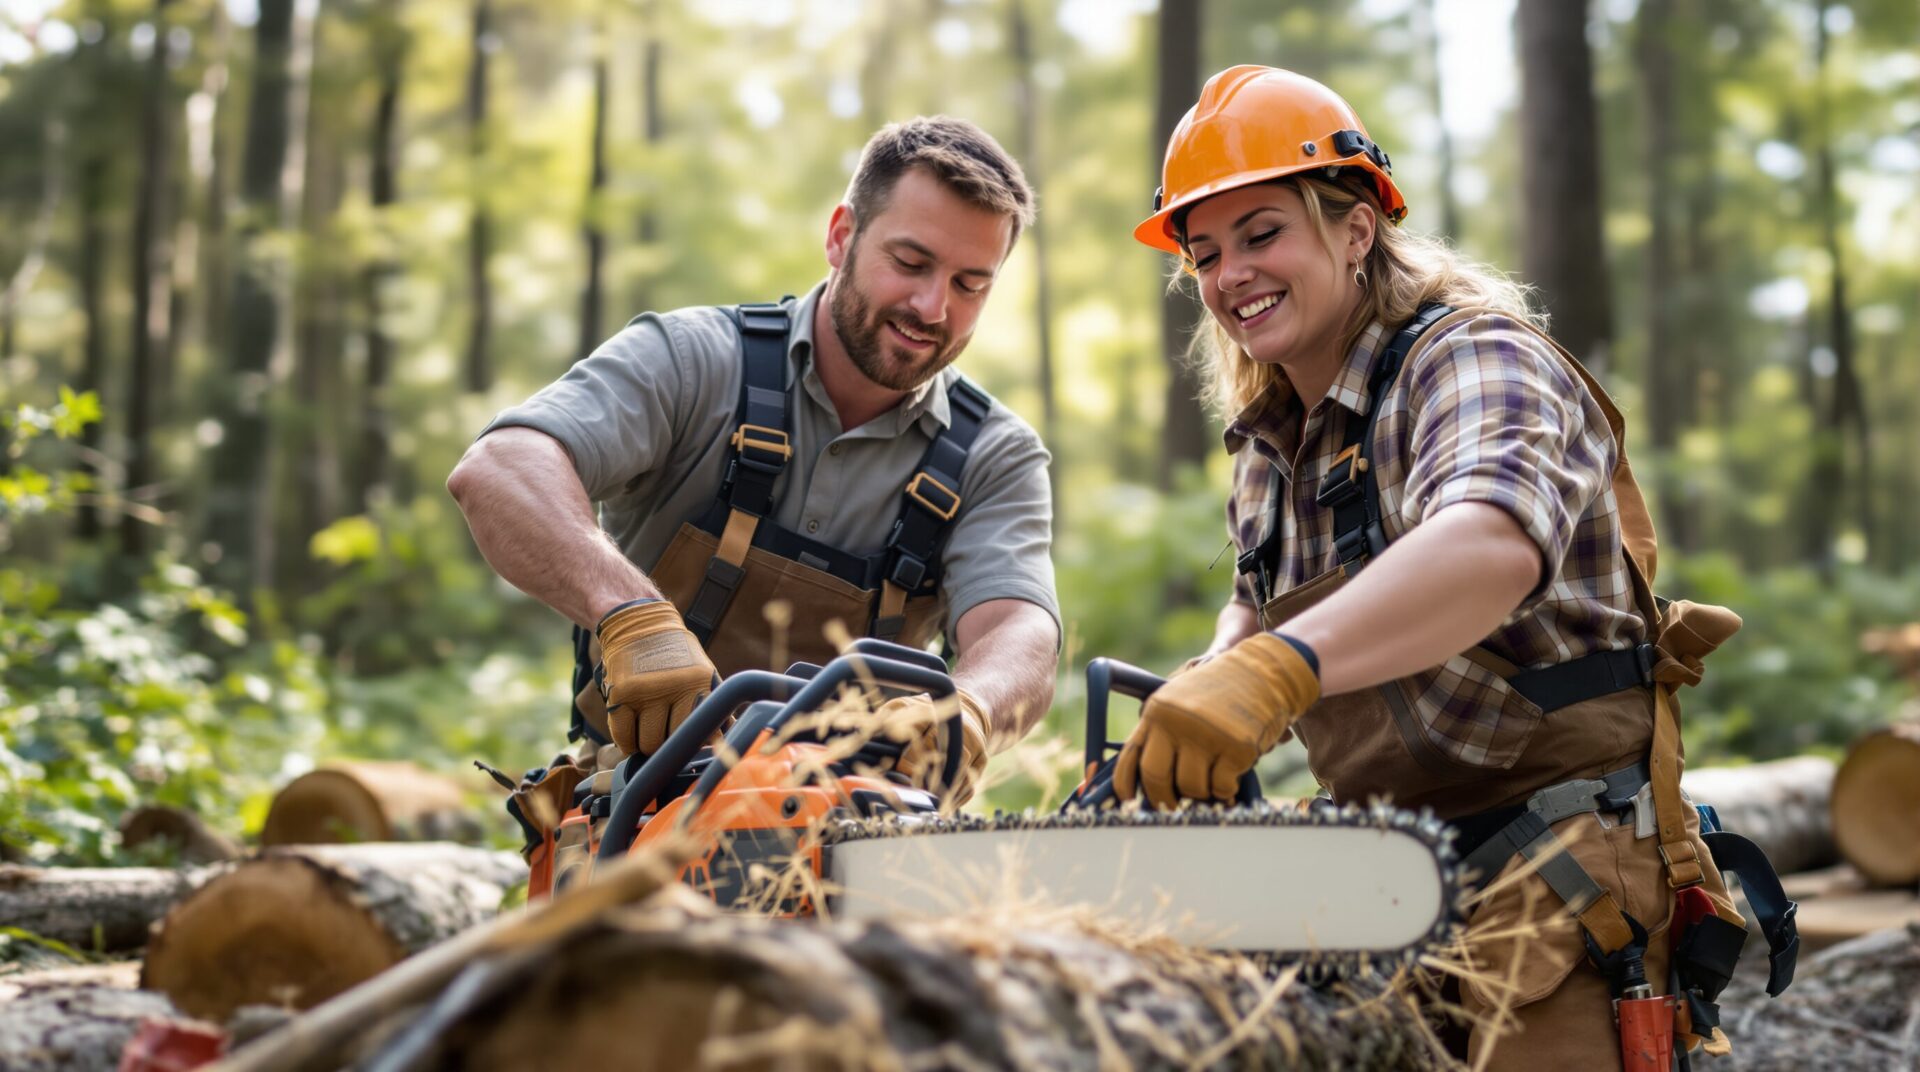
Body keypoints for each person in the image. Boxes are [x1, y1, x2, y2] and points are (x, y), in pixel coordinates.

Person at [1112, 66, 1762, 1068]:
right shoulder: (1270, 441)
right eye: (1204, 253)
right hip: (1388, 876)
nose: (1231, 271)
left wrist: (1277, 670)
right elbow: (1253, 615)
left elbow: (1490, 542)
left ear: (1355, 229)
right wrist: (1203, 697)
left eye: (1262, 234)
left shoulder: (1470, 359)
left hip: (1560, 868)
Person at [448, 117, 1061, 805]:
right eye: (911, 263)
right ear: (841, 236)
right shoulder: (692, 362)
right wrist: (630, 615)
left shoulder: (994, 455)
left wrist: (969, 710)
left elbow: (1018, 627)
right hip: (638, 811)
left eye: (970, 284)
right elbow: (500, 467)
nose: (931, 305)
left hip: (865, 832)